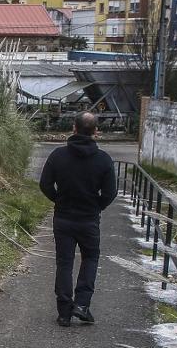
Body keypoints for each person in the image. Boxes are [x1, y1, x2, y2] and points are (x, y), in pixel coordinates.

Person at [38, 112, 117, 327]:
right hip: (89, 219)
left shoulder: (58, 155)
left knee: (64, 262)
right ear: (96, 132)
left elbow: (45, 184)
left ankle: (64, 311)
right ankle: (82, 305)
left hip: (63, 217)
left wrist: (58, 200)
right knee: (90, 259)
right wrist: (96, 206)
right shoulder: (103, 159)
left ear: (73, 128)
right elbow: (110, 193)